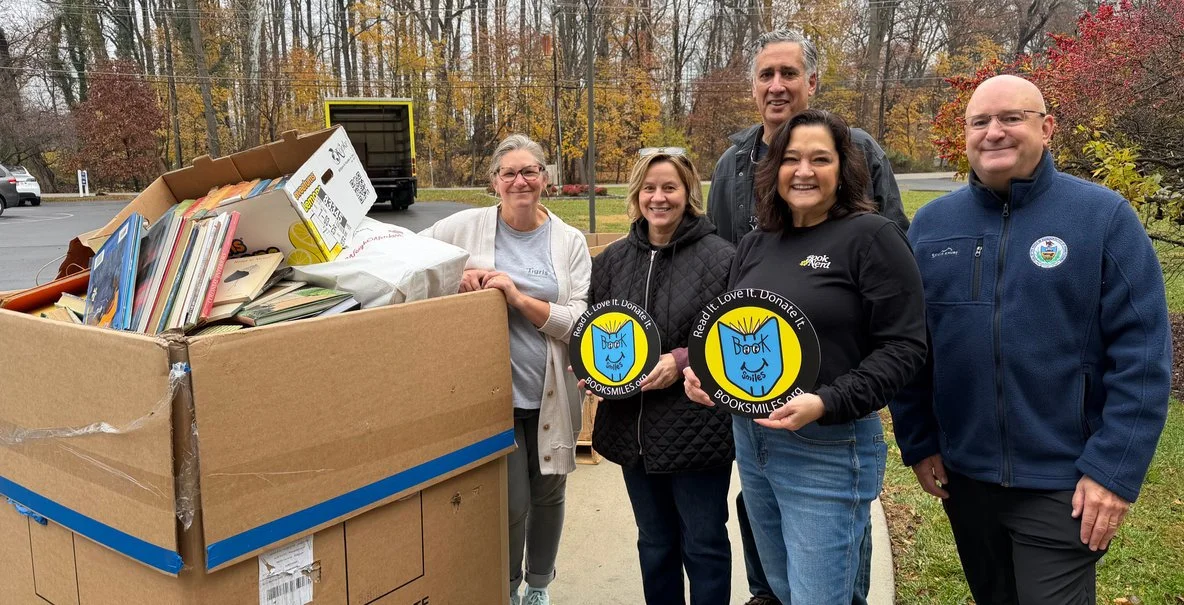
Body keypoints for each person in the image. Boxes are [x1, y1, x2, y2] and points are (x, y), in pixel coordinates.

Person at [890, 74, 1172, 604]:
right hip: (965, 479)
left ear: (1046, 128)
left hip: (1063, 482)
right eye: (979, 122)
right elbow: (911, 346)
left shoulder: (1102, 218)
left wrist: (1113, 471)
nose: (993, 132)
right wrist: (919, 440)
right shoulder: (931, 227)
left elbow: (1144, 355)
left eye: (1011, 118)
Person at [685, 109, 928, 604]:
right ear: (772, 170)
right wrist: (717, 385)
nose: (803, 170)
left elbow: (906, 347)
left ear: (844, 170)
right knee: (783, 589)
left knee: (819, 596)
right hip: (754, 443)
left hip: (829, 446)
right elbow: (739, 333)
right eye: (791, 158)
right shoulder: (755, 244)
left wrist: (826, 402)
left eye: (820, 158)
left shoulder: (872, 237)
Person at [421, 134, 591, 605]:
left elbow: (579, 319)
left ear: (545, 179)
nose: (520, 181)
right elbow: (408, 257)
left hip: (551, 390)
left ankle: (539, 587)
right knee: (511, 503)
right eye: (509, 173)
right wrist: (457, 280)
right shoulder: (465, 227)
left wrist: (518, 299)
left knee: (550, 495)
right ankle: (508, 589)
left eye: (530, 171)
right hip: (493, 393)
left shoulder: (569, 240)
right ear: (494, 181)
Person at [589, 149, 736, 604]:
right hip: (634, 430)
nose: (659, 198)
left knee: (704, 543)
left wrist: (681, 359)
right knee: (654, 543)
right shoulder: (613, 260)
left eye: (669, 187)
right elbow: (599, 330)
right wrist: (596, 372)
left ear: (688, 192)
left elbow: (733, 338)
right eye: (649, 188)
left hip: (697, 428)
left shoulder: (722, 258)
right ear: (636, 195)